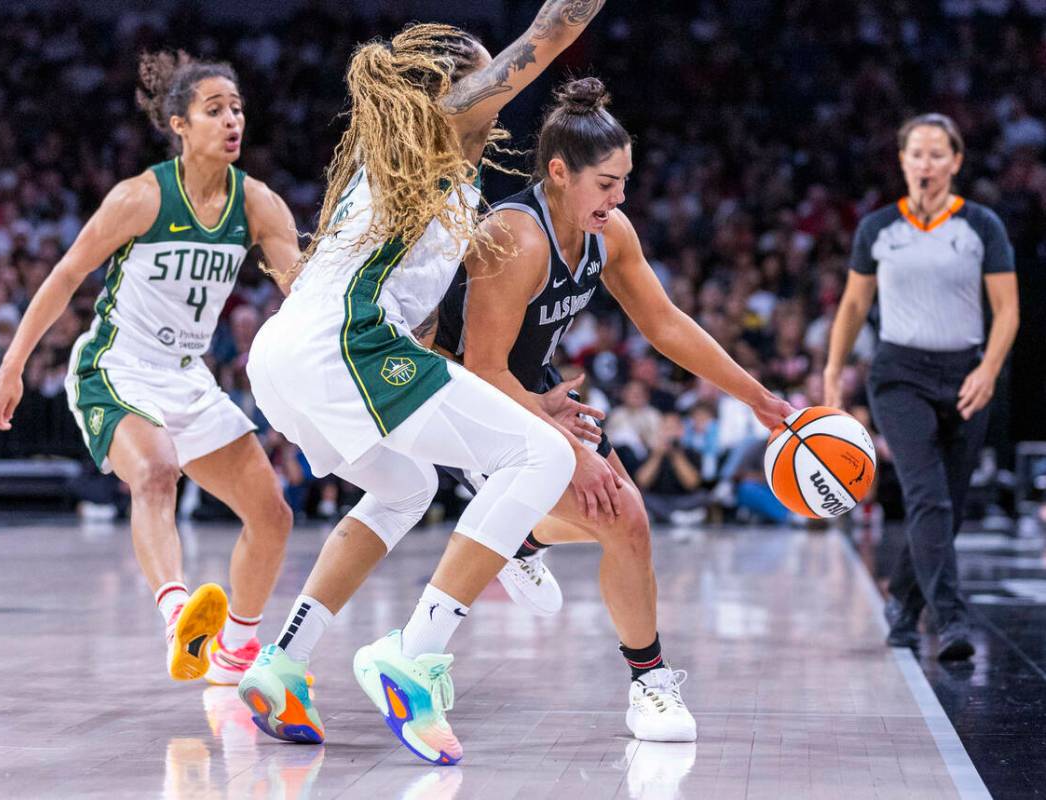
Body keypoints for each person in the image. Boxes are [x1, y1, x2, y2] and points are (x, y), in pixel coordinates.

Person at [238, 4, 608, 766]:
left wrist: (518, 406)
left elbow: (426, 337)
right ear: (448, 87)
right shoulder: (433, 129)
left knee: (407, 485)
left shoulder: (447, 184)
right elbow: (549, 37)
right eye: (484, 71)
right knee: (542, 460)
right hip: (339, 345)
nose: (496, 88)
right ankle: (415, 654)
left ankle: (282, 665)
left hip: (303, 354)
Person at [432, 77, 793, 743]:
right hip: (459, 397)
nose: (618, 197)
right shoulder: (516, 237)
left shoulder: (609, 231)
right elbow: (480, 368)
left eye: (624, 181)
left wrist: (759, 397)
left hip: (532, 390)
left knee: (627, 522)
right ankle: (648, 682)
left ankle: (523, 539)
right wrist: (565, 445)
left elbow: (664, 323)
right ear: (560, 173)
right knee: (622, 512)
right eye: (606, 183)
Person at [0, 52, 298, 685]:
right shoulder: (142, 196)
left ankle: (234, 650)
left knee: (274, 515)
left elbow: (305, 296)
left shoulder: (259, 205)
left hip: (187, 375)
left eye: (237, 109)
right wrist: (12, 363)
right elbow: (68, 274)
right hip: (117, 364)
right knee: (156, 471)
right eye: (215, 111)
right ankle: (180, 618)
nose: (232, 121)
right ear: (179, 124)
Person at [824, 113, 1019, 660]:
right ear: (902, 160)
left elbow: (1007, 312)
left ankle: (904, 606)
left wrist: (988, 370)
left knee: (946, 506)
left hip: (967, 376)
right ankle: (952, 621)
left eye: (938, 154)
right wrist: (832, 371)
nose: (926, 164)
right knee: (926, 494)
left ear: (955, 162)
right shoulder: (878, 228)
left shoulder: (981, 226)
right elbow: (856, 305)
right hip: (899, 376)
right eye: (917, 153)